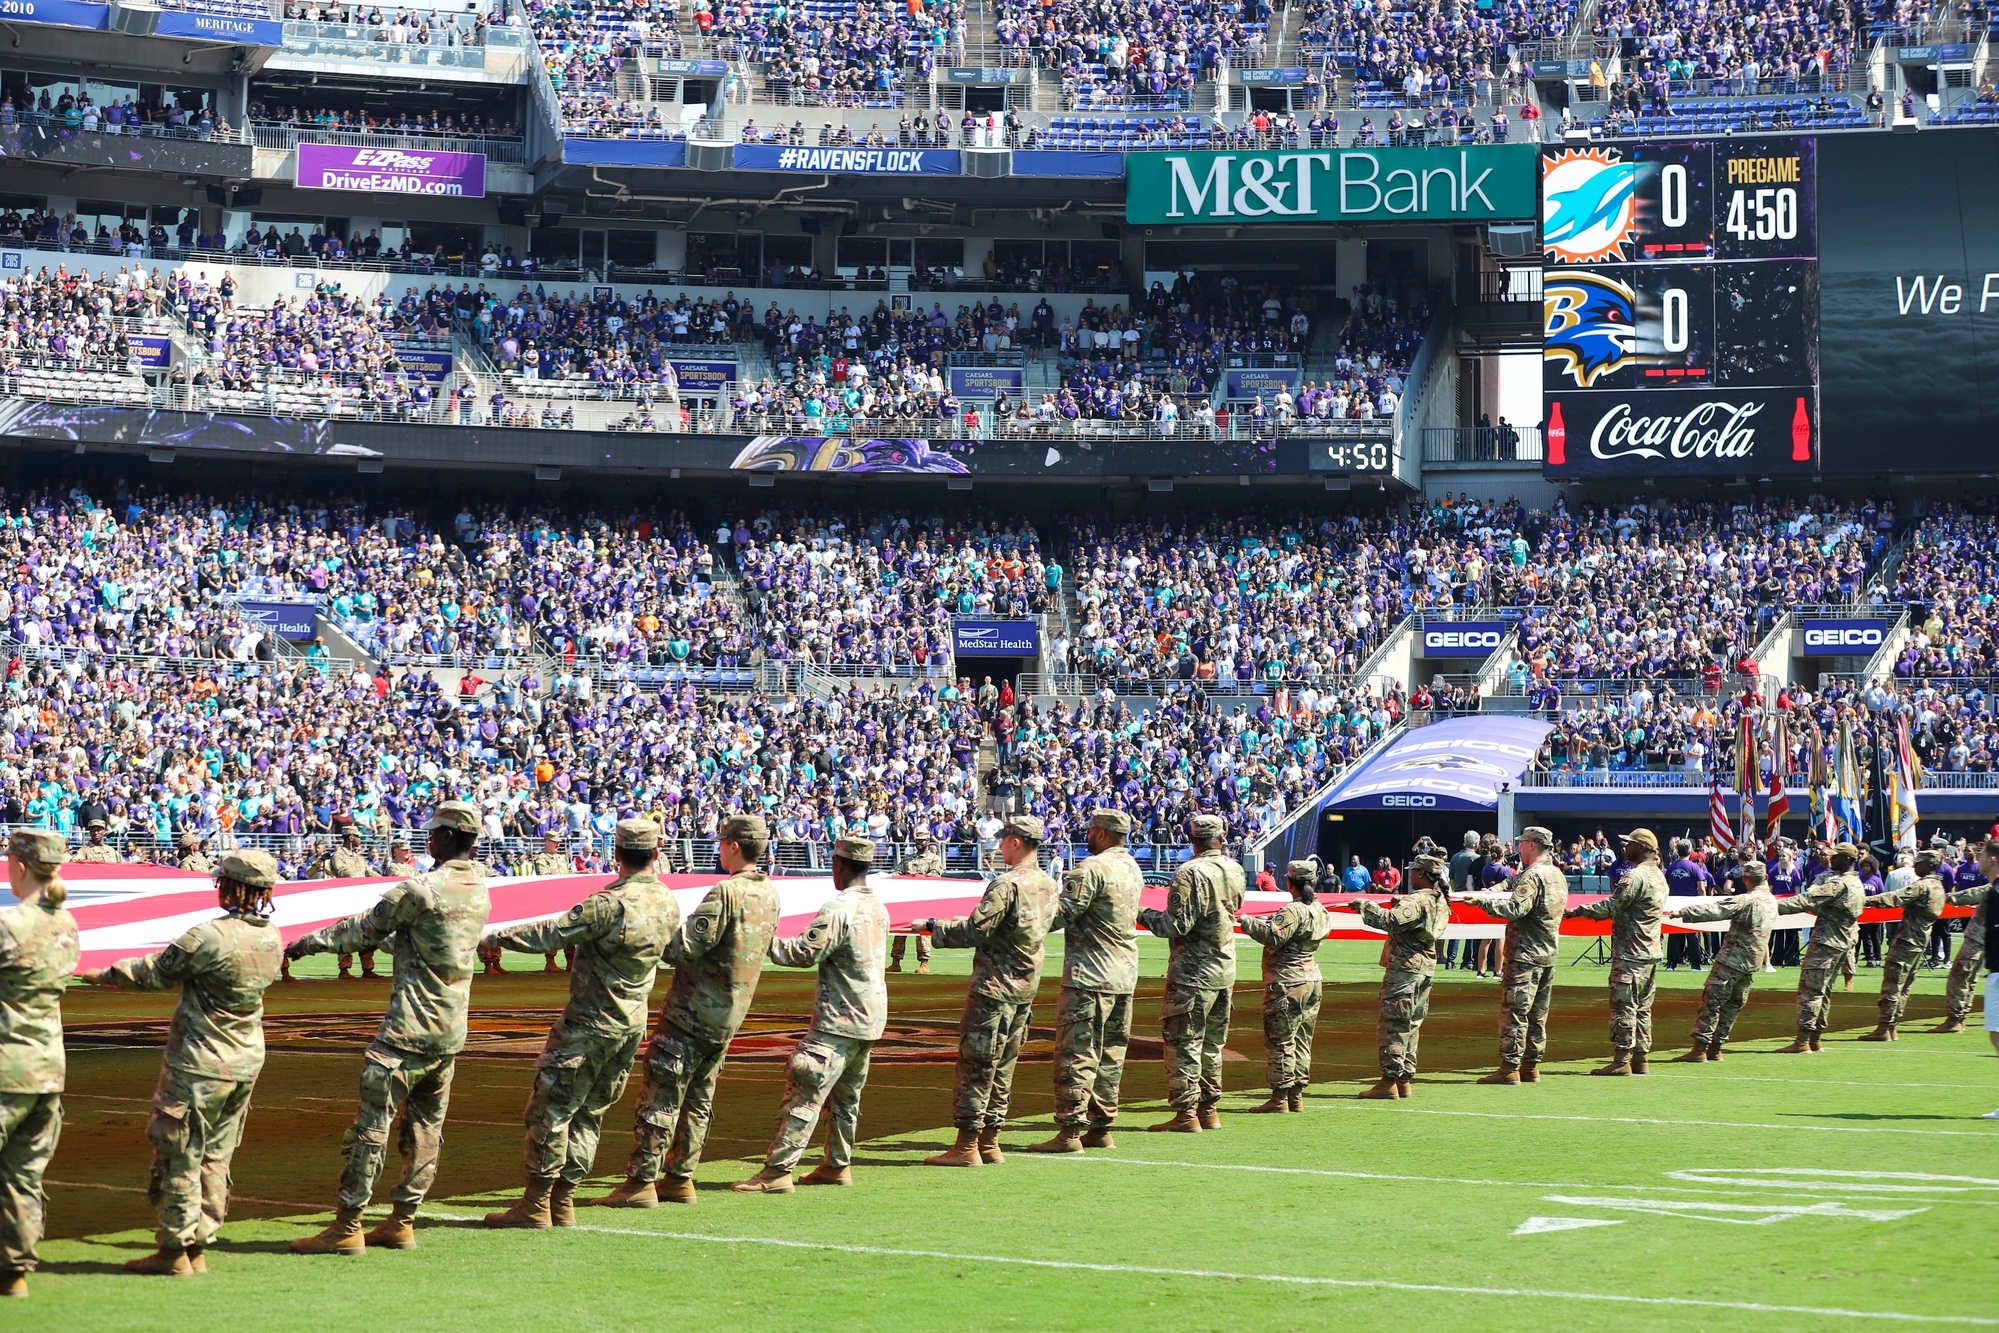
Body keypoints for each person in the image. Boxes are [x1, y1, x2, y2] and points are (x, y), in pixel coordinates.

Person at [285, 801, 491, 1254]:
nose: (427, 838)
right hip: (450, 1032)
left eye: (434, 832)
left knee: (370, 1131)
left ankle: (347, 1226)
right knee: (425, 1132)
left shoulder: (421, 889)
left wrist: (308, 942)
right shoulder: (480, 889)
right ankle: (403, 1221)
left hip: (407, 1031)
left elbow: (363, 930)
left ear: (448, 837)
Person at [78, 851, 284, 1275]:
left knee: (179, 1153)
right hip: (245, 1059)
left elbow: (153, 973)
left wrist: (101, 973)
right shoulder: (272, 937)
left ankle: (174, 1250)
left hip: (200, 1062)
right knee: (216, 1156)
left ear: (232, 887)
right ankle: (199, 1245)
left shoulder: (208, 936)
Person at [480, 819, 677, 1228]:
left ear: (617, 855)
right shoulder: (667, 901)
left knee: (550, 1112)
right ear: (656, 854)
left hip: (589, 1025)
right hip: (631, 1024)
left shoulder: (608, 903)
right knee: (591, 1113)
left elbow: (551, 935)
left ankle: (537, 1204)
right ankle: (563, 1201)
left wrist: (490, 937)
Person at [591, 813, 779, 1207]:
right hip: (730, 1015)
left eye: (721, 842)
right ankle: (680, 1177)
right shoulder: (770, 893)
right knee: (699, 1100)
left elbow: (683, 949)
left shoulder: (725, 893)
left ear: (733, 846)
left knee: (661, 1095)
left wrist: (652, 933)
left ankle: (641, 1182)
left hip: (692, 1012)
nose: (718, 849)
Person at [732, 835, 889, 1194]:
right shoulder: (877, 907)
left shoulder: (838, 908)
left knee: (805, 1092)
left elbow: (802, 954)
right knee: (846, 1099)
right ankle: (837, 1164)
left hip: (838, 1019)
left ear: (838, 865)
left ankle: (777, 1171)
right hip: (868, 1018)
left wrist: (762, 937)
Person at [910, 815, 1060, 1166]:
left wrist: (932, 927)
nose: (999, 844)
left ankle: (966, 1146)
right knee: (1005, 1065)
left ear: (1015, 842)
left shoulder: (1006, 885)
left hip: (994, 988)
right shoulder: (1048, 884)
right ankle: (990, 1141)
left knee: (976, 1065)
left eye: (1003, 838)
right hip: (1025, 989)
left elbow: (976, 931)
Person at [1023, 809, 1144, 1154]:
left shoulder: (1091, 869)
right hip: (1123, 976)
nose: (1087, 835)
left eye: (1091, 830)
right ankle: (1101, 1127)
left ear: (1102, 834)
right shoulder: (1131, 866)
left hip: (1089, 976)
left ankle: (1070, 1132)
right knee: (1111, 1055)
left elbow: (1062, 913)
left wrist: (1025, 906)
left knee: (1076, 1054)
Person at [0, 830, 77, 1298]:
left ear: (21, 866)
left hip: (7, 1066)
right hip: (47, 1068)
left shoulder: (13, 924)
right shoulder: (65, 923)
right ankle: (15, 1273)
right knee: (23, 1177)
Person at [1136, 814, 1245, 1133]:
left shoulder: (1190, 872)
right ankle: (1209, 1110)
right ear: (1221, 837)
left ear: (1192, 838)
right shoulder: (1234, 868)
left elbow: (1175, 925)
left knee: (1184, 1043)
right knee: (1212, 1044)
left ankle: (1185, 1114)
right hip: (1224, 969)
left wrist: (1141, 913)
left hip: (1193, 973)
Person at [1344, 852, 1450, 1099]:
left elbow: (1391, 921)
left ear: (1422, 873)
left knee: (1394, 1024)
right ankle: (1404, 1078)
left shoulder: (1416, 901)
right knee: (1412, 1025)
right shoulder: (1439, 899)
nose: (1410, 874)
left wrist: (1365, 905)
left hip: (1405, 969)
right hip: (1424, 967)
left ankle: (1389, 1080)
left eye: (1413, 870)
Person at [1563, 828, 1668, 1075]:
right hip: (1650, 952)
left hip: (1631, 954)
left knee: (1624, 1007)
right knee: (1643, 1009)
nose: (1625, 848)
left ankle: (1622, 1061)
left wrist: (1578, 910)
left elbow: (1612, 905)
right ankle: (1641, 1059)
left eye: (1629, 844)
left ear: (1641, 848)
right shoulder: (1659, 876)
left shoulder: (1634, 877)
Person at [1237, 859, 1332, 1113]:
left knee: (1280, 1040)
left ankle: (1279, 1098)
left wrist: (1247, 921)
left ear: (1290, 883)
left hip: (1286, 982)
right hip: (1311, 980)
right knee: (1302, 1039)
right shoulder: (1320, 910)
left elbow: (1274, 937)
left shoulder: (1292, 911)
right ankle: (1296, 1096)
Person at [1477, 826, 1567, 1085]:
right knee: (1537, 1015)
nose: (1517, 848)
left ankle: (1509, 1068)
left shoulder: (1533, 876)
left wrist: (1483, 902)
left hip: (1525, 955)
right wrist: (1493, 891)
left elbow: (1515, 908)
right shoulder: (1555, 874)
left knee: (1514, 1011)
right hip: (1548, 953)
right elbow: (1511, 882)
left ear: (1530, 845)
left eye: (1521, 843)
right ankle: (1531, 1066)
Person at [1665, 859, 1778, 1061]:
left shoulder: (1746, 900)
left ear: (1745, 879)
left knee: (1712, 1004)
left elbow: (1716, 909)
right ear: (1766, 878)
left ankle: (1699, 1050)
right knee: (1733, 1006)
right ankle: (1716, 1048)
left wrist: (1683, 912)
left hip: (1731, 961)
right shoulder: (1771, 901)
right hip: (1752, 962)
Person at [1776, 841, 1866, 1053]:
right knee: (1824, 991)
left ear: (1846, 859)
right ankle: (1815, 1038)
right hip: (1841, 943)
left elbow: (1805, 901)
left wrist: (1767, 905)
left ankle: (1802, 1041)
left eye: (1835, 856)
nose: (1829, 859)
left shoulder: (1838, 884)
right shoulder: (1857, 884)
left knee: (1811, 991)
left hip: (1826, 943)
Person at [1860, 847, 1947, 1041]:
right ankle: (1892, 1026)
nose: (1915, 865)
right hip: (1920, 941)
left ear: (1928, 865)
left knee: (1892, 985)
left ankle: (1883, 1028)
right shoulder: (1938, 887)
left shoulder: (1922, 886)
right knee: (1905, 987)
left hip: (1907, 940)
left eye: (1919, 862)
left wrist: (1864, 900)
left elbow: (1894, 897)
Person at [1932, 838, 1997, 1033]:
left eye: (1982, 855)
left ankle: (1955, 1020)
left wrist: (1945, 898)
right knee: (1969, 977)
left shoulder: (1995, 889)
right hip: (1982, 941)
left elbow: (1974, 894)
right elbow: (1974, 894)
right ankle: (1958, 1017)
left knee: (1960, 975)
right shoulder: (1992, 887)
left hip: (1979, 940)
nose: (1979, 859)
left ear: (1992, 859)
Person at [315, 818, 379, 980]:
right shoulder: (338, 856)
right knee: (346, 933)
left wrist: (386, 880)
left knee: (366, 932)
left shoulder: (358, 858)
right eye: (358, 836)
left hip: (362, 900)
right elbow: (344, 873)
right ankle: (344, 968)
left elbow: (370, 873)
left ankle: (367, 967)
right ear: (351, 837)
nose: (360, 839)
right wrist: (361, 879)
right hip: (346, 900)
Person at [889, 831, 945, 974]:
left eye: (921, 840)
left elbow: (934, 876)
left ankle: (924, 962)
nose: (918, 843)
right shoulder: (908, 859)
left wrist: (915, 878)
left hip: (923, 900)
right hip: (906, 899)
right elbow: (897, 873)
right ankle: (895, 962)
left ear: (927, 841)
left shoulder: (934, 859)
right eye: (917, 841)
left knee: (922, 931)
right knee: (900, 931)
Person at [528, 833, 576, 974]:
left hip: (566, 899)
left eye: (559, 842)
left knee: (570, 929)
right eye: (555, 842)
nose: (558, 845)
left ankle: (571, 961)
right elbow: (545, 877)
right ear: (547, 842)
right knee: (551, 930)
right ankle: (550, 961)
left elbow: (567, 874)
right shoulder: (541, 859)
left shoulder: (561, 858)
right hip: (551, 900)